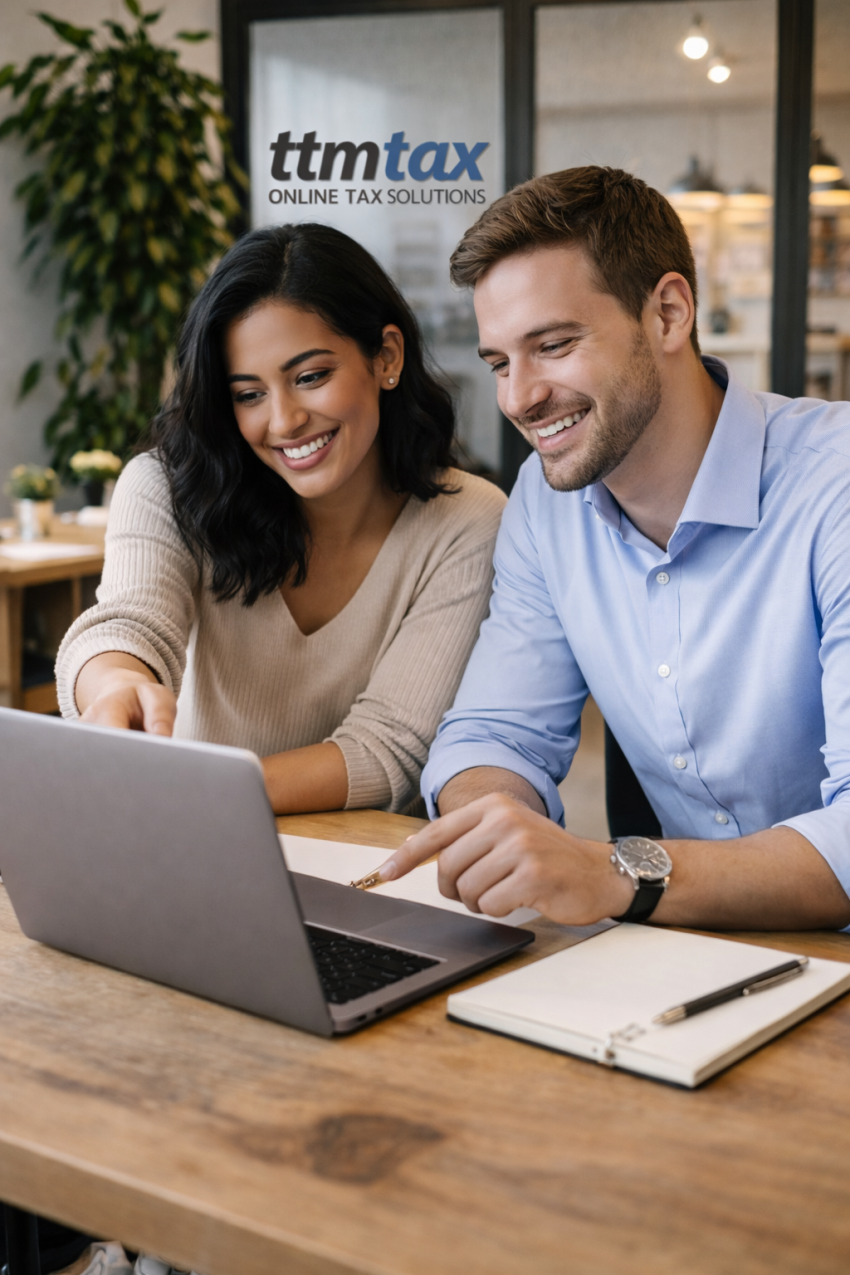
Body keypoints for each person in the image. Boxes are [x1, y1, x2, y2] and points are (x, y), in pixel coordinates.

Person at [375, 165, 850, 932]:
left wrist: (615, 872)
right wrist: (491, 822)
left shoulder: (835, 485)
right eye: (499, 362)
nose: (518, 398)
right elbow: (494, 732)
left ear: (668, 313)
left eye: (553, 345)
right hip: (699, 956)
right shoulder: (545, 501)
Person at [56, 223, 506, 816]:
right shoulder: (169, 486)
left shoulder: (467, 521)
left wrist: (197, 796)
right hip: (193, 849)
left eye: (310, 377)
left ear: (386, 357)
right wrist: (114, 684)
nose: (285, 421)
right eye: (248, 394)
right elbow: (127, 626)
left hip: (355, 869)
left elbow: (387, 750)